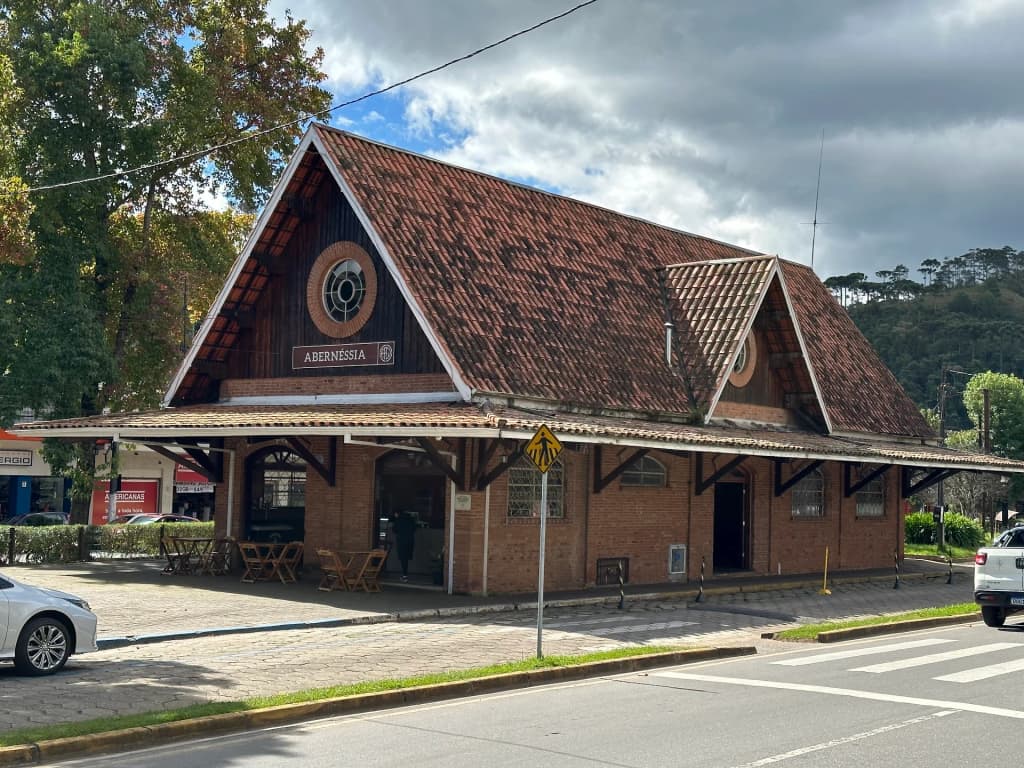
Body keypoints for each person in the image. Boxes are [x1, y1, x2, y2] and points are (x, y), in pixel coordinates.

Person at [392, 510, 417, 582]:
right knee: (406, 558)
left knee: (403, 558)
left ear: (397, 513)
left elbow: (394, 530)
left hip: (401, 541)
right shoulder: (411, 519)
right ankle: (405, 575)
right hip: (410, 541)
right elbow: (415, 528)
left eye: (395, 514)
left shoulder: (398, 520)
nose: (395, 515)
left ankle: (405, 575)